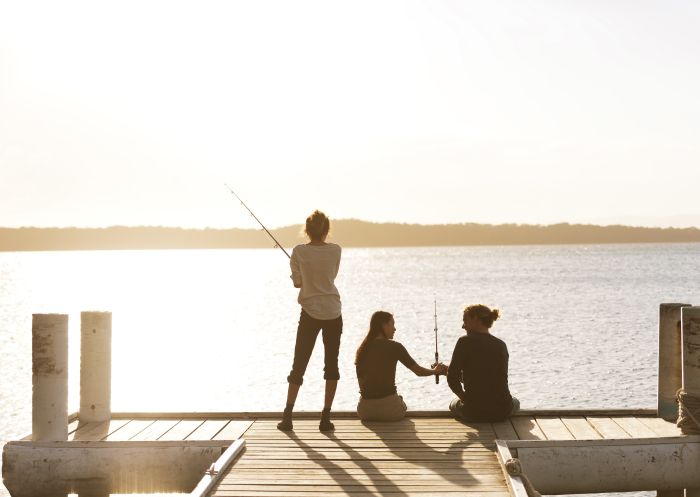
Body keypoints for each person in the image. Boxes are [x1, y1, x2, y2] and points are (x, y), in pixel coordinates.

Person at [277, 210, 343, 432]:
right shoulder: (336, 250)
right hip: (333, 311)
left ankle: (287, 417)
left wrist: (301, 273)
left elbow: (297, 284)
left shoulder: (298, 252)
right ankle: (325, 418)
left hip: (310, 312)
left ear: (306, 230)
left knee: (299, 363)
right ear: (326, 230)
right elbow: (330, 276)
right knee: (331, 364)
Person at [355, 311, 448, 421]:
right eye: (392, 324)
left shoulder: (362, 349)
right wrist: (435, 371)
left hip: (365, 411)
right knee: (401, 402)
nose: (395, 329)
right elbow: (418, 372)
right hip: (389, 411)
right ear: (383, 325)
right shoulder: (395, 347)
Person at [446, 304, 519, 421]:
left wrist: (464, 398)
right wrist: (447, 370)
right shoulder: (501, 345)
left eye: (465, 320)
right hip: (502, 411)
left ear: (476, 319)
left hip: (474, 412)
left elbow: (452, 378)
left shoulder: (464, 342)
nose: (463, 326)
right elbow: (489, 377)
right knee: (515, 401)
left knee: (453, 404)